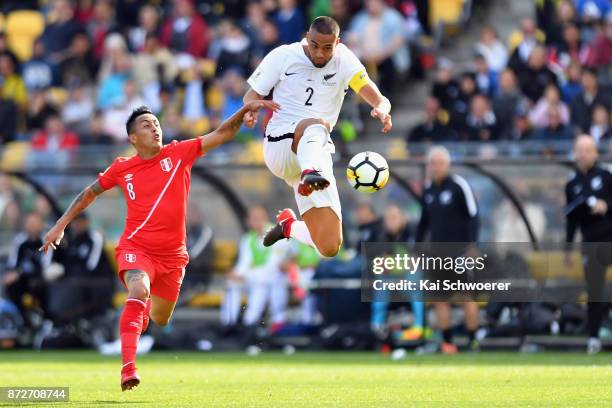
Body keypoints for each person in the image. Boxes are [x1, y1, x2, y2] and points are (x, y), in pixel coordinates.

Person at [39, 100, 278, 391]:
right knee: (139, 289)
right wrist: (59, 225)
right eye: (146, 125)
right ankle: (128, 368)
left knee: (159, 318)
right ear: (133, 138)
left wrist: (243, 112)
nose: (154, 128)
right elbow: (89, 194)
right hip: (136, 247)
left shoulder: (179, 153)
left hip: (173, 257)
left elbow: (222, 134)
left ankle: (135, 320)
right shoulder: (122, 168)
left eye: (156, 124)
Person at [243, 16, 392, 258]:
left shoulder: (345, 60)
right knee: (318, 125)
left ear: (337, 43)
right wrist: (251, 109)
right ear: (307, 38)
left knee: (330, 246)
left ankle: (290, 227)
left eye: (327, 48)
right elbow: (251, 95)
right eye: (314, 45)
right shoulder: (284, 56)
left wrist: (382, 109)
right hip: (281, 145)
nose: (319, 54)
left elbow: (379, 98)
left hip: (314, 156)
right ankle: (311, 173)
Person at [415, 146, 480, 354]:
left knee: (466, 297)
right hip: (437, 254)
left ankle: (472, 341)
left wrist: (472, 245)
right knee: (439, 299)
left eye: (440, 163)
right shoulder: (428, 190)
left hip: (460, 252)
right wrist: (416, 250)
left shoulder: (459, 186)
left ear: (448, 164)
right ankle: (447, 342)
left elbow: (473, 216)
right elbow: (424, 222)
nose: (436, 167)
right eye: (432, 163)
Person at [565, 134, 612, 354]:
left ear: (595, 152)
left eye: (587, 149)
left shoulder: (607, 175)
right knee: (594, 291)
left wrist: (607, 205)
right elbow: (571, 219)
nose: (583, 154)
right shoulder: (572, 184)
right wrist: (567, 248)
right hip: (591, 243)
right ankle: (593, 337)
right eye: (579, 150)